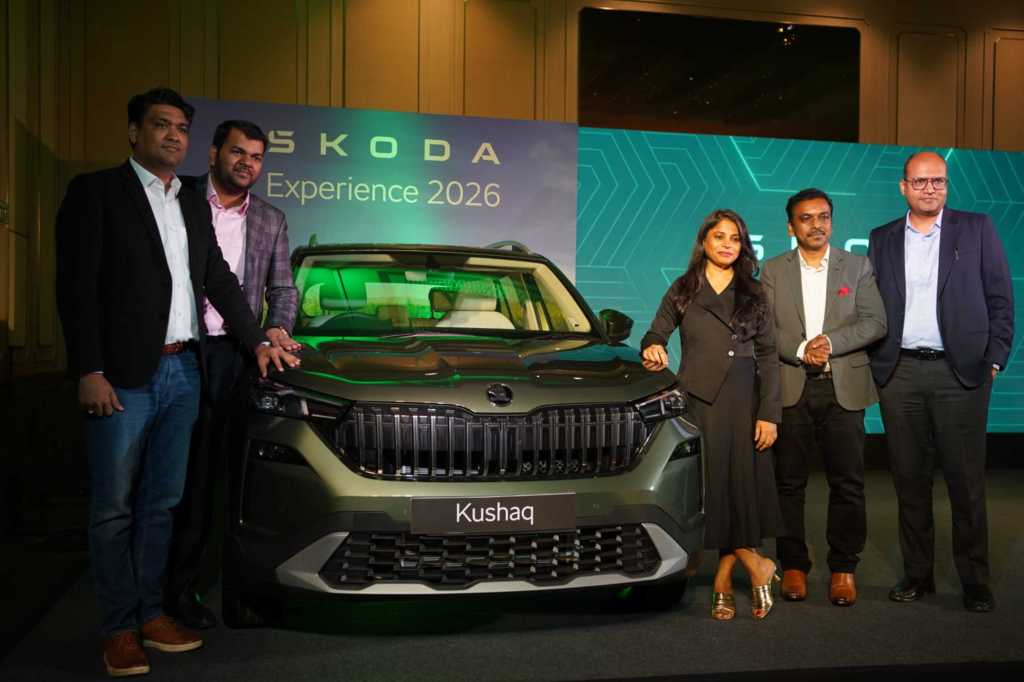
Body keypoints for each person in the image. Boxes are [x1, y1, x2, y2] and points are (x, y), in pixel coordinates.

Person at [55, 88, 300, 677]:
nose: (173, 136)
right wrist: (89, 368)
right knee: (114, 509)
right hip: (123, 376)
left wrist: (259, 339)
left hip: (185, 370)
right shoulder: (97, 192)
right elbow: (76, 287)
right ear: (134, 132)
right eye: (161, 125)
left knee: (162, 503)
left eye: (181, 128)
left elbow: (219, 280)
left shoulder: (187, 203)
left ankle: (150, 613)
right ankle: (118, 627)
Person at [164, 120, 300, 630]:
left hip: (238, 357)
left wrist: (277, 330)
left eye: (257, 157)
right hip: (179, 350)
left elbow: (282, 289)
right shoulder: (179, 199)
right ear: (214, 153)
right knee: (178, 477)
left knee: (223, 479)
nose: (247, 163)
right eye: (238, 152)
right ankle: (164, 589)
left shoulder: (270, 218)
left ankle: (204, 587)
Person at [868, 151, 1014, 613]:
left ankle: (975, 580)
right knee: (909, 482)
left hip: (961, 373)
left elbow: (1000, 297)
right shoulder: (882, 237)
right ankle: (918, 575)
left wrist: (995, 358)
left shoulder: (977, 228)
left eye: (938, 181)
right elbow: (871, 306)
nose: (930, 188)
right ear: (903, 187)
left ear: (947, 185)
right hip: (900, 373)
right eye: (920, 181)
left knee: (965, 483)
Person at [641, 209, 783, 620]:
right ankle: (755, 563)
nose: (727, 244)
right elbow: (656, 331)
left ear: (743, 246)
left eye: (735, 238)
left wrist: (769, 413)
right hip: (698, 400)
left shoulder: (753, 291)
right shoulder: (684, 288)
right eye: (719, 236)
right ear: (704, 241)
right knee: (710, 489)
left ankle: (722, 579)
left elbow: (769, 355)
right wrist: (653, 346)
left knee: (738, 490)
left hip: (744, 402)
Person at [761, 188, 887, 607]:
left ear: (831, 221)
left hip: (842, 387)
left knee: (848, 482)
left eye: (823, 217)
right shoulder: (772, 269)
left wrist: (829, 343)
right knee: (789, 483)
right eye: (806, 218)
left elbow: (875, 322)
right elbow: (764, 328)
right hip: (792, 385)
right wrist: (801, 349)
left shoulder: (857, 265)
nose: (816, 225)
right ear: (790, 226)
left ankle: (844, 568)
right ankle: (794, 565)